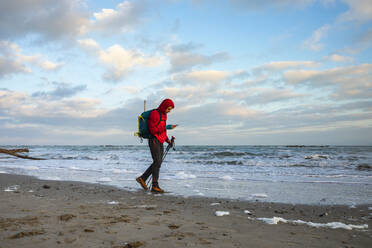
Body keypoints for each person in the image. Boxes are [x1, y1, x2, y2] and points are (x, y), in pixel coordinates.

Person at [136, 98, 177, 193]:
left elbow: (163, 132)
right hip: (154, 140)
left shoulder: (164, 115)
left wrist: (168, 141)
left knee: (158, 162)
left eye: (170, 109)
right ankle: (154, 185)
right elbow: (152, 129)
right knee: (157, 162)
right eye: (168, 108)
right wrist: (166, 126)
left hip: (160, 140)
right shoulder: (155, 113)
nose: (169, 111)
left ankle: (143, 178)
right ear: (164, 106)